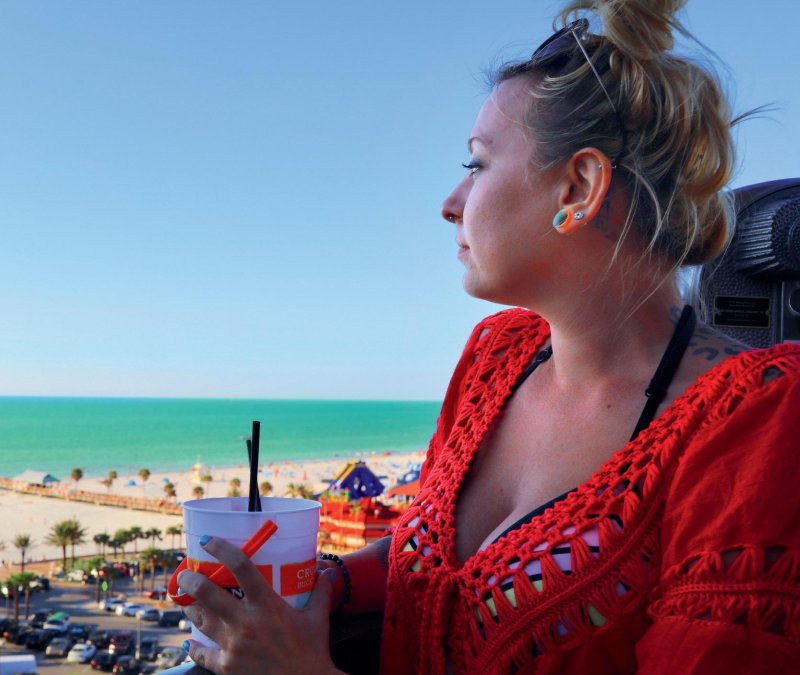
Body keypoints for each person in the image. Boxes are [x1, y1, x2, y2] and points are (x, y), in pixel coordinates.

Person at [176, 0, 800, 673]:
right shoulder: (496, 356)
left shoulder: (757, 419)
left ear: (579, 186)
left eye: (475, 165)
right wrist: (330, 584)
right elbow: (444, 561)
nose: (450, 202)